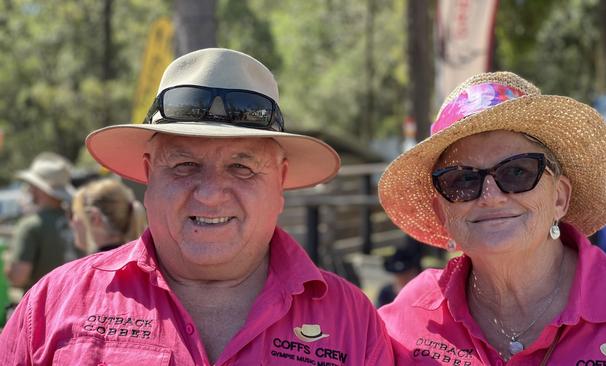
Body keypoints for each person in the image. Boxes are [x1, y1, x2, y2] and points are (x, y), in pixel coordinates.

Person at [0, 48, 393, 365]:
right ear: (149, 175)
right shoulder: (52, 304)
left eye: (241, 167)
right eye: (185, 164)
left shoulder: (355, 323)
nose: (209, 193)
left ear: (280, 181)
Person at [377, 71, 606, 364]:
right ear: (442, 213)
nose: (491, 195)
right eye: (462, 180)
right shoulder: (406, 319)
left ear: (559, 198)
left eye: (517, 172)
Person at [4, 152, 78, 292]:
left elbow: (18, 277)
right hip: (74, 304)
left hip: (40, 308)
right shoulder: (77, 221)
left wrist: (9, 259)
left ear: (38, 188)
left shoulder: (31, 225)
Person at [69, 178, 147, 253]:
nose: (72, 222)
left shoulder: (91, 266)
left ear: (94, 218)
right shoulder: (142, 259)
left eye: (75, 214)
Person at [376, 238, 422, 307]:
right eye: (399, 275)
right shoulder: (385, 293)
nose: (402, 278)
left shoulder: (422, 293)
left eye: (406, 274)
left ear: (414, 272)